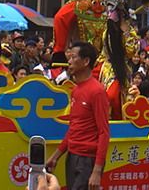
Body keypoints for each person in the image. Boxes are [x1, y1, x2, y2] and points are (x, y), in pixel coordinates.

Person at [46, 42, 109, 190]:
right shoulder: (76, 90)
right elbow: (74, 127)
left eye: (73, 57)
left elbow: (104, 132)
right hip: (73, 156)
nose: (69, 61)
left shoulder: (97, 91)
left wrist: (97, 170)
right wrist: (55, 157)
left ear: (86, 61)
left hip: (88, 160)